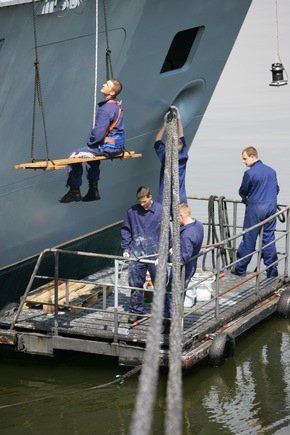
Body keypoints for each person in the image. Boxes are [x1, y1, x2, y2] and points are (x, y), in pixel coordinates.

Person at [59, 79, 125, 203]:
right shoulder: (117, 106)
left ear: (111, 92)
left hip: (107, 148)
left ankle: (74, 191)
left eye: (107, 84)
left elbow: (98, 134)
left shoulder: (105, 109)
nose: (103, 84)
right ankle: (93, 191)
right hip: (116, 147)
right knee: (91, 156)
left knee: (74, 156)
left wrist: (90, 143)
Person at [232, 146, 280, 278]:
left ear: (253, 157)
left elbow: (243, 191)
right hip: (271, 208)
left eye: (245, 158)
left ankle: (240, 269)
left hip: (255, 209)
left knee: (249, 238)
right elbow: (277, 189)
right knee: (269, 239)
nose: (243, 161)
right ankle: (272, 270)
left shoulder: (250, 173)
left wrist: (246, 197)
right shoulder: (271, 171)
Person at [121, 186, 163, 323]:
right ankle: (135, 310)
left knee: (160, 283)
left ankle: (162, 312)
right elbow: (126, 230)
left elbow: (167, 233)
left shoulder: (161, 211)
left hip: (155, 253)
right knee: (135, 283)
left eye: (144, 201)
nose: (142, 204)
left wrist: (165, 254)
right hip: (137, 253)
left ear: (150, 197)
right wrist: (126, 248)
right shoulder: (132, 212)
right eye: (140, 202)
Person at [164, 203, 204, 321]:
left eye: (176, 218)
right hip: (192, 263)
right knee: (180, 292)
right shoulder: (198, 225)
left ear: (181, 216)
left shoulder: (187, 235)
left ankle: (171, 321)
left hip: (184, 268)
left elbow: (182, 257)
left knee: (172, 292)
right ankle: (175, 317)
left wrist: (168, 257)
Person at [154, 106, 188, 204]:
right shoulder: (184, 156)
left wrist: (165, 124)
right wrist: (178, 118)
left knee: (164, 217)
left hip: (165, 198)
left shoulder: (165, 156)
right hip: (180, 197)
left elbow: (157, 140)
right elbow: (181, 135)